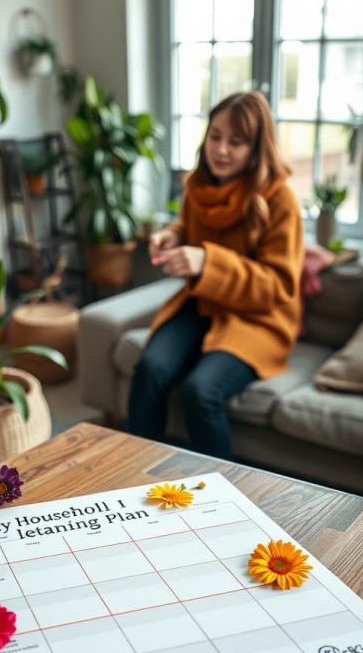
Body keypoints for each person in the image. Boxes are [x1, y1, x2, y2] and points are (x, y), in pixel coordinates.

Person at [127, 90, 303, 459]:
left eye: (236, 142)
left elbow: (278, 286)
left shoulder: (280, 199)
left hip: (257, 319)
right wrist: (172, 236)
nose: (221, 150)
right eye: (215, 136)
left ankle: (221, 502)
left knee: (201, 391)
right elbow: (189, 229)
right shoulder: (198, 186)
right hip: (203, 305)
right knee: (149, 369)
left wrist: (207, 261)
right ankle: (132, 474)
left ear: (257, 147)